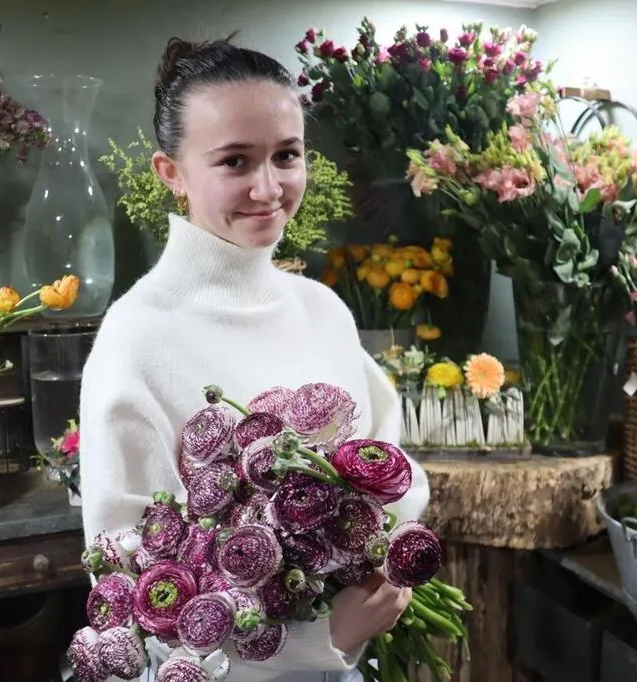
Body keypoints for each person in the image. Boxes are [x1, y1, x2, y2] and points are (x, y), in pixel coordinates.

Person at [78, 35, 431, 682]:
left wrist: (382, 557)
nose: (268, 187)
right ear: (171, 173)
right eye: (235, 161)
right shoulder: (136, 338)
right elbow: (134, 603)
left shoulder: (322, 309)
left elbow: (393, 473)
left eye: (286, 155)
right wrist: (325, 639)